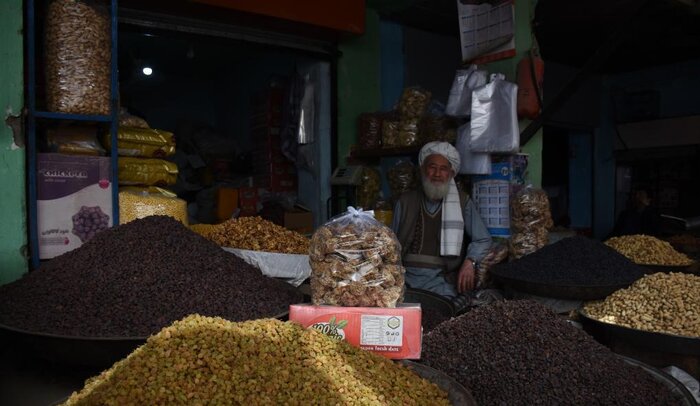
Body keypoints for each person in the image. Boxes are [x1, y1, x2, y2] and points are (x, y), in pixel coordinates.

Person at [391, 141, 492, 309]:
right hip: (404, 282)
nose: (437, 174)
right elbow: (389, 245)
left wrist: (470, 262)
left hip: (442, 283)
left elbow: (483, 239)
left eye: (443, 169)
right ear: (423, 169)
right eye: (432, 167)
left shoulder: (462, 201)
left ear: (451, 174)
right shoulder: (405, 201)